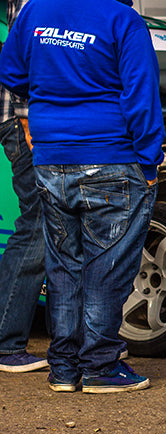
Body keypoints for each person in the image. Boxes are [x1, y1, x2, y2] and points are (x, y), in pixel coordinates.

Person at [0, 0, 163, 393]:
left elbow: (10, 72)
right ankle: (100, 365)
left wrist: (53, 88)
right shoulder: (122, 19)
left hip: (51, 157)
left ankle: (65, 369)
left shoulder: (35, 12)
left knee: (64, 266)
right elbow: (142, 94)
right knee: (107, 267)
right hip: (110, 153)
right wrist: (150, 158)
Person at [0, 0, 48, 375]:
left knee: (53, 229)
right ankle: (6, 342)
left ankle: (83, 343)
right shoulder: (33, 4)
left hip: (30, 121)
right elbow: (22, 58)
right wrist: (28, 118)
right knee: (35, 229)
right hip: (25, 123)